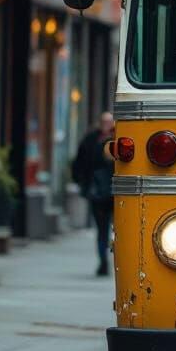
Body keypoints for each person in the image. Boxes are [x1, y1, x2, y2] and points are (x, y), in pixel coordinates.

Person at [72, 111, 116, 276]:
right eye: (104, 122)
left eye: (109, 122)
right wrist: (82, 183)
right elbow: (79, 164)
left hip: (115, 193)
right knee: (102, 229)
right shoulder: (91, 140)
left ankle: (114, 260)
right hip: (97, 193)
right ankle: (103, 261)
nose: (106, 125)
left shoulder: (120, 139)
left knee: (118, 230)